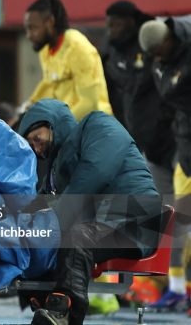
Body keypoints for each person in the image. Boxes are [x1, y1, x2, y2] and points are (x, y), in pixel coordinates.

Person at [17, 99, 162, 325]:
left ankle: (63, 315)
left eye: (37, 138)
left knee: (76, 238)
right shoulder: (56, 169)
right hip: (104, 224)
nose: (37, 148)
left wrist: (53, 221)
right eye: (31, 145)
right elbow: (40, 203)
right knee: (33, 238)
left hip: (135, 220)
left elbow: (95, 172)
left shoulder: (98, 124)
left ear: (52, 123)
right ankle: (44, 304)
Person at [139, 18, 191, 313]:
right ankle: (176, 288)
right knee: (179, 221)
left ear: (170, 38)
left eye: (159, 50)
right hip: (185, 149)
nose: (156, 57)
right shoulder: (164, 62)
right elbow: (170, 93)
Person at [101, 0, 175, 195]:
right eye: (108, 25)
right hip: (136, 139)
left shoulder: (153, 44)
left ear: (131, 22)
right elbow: (108, 93)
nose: (111, 30)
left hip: (169, 136)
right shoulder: (109, 54)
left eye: (116, 24)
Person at [23, 0, 112, 121]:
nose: (29, 35)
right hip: (71, 127)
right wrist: (27, 109)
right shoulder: (46, 50)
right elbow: (49, 85)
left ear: (50, 22)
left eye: (33, 28)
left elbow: (89, 104)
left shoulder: (78, 48)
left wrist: (57, 127)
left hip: (97, 129)